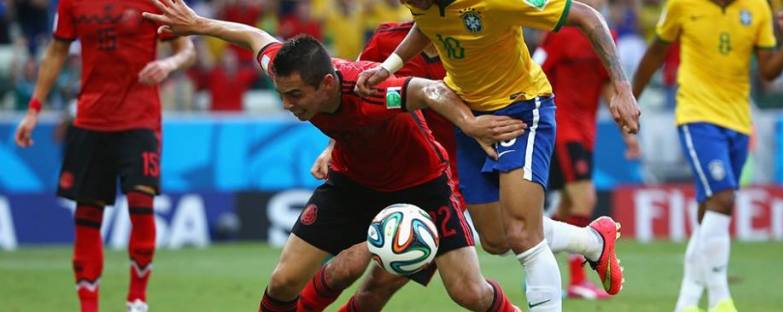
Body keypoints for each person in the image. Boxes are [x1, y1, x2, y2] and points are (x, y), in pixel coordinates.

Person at [142, 1, 527, 311]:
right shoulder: (291, 68)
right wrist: (199, 24)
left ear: (326, 85)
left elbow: (429, 91)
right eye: (281, 94)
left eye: (295, 96)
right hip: (352, 183)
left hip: (422, 186)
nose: (287, 105)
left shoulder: (369, 92)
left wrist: (472, 125)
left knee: (469, 293)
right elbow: (253, 35)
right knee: (283, 281)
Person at [356, 1, 641, 310]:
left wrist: (622, 88)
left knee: (522, 234)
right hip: (470, 119)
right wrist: (387, 67)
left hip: (521, 110)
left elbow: (588, 16)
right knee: (495, 239)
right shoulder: (423, 5)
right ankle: (593, 242)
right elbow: (428, 26)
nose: (406, 2)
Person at [13, 1, 195, 311]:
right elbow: (57, 52)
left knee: (141, 201)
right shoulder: (72, 3)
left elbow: (187, 48)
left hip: (140, 120)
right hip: (90, 120)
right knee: (87, 216)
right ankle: (89, 307)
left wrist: (168, 65)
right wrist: (33, 110)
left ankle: (137, 300)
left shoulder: (156, 1)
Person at [631, 0, 783, 311]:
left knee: (709, 209)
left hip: (738, 120)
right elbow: (657, 52)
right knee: (723, 199)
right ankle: (720, 299)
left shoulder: (757, 8)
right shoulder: (682, 5)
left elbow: (768, 71)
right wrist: (630, 99)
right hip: (696, 115)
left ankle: (686, 301)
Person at [298, 21, 459, 312]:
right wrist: (331, 147)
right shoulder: (387, 41)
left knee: (378, 288)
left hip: (440, 180)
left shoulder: (474, 43)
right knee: (345, 267)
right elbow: (350, 100)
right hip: (379, 173)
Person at [534, 0, 640, 300]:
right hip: (561, 126)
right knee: (585, 196)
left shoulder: (606, 35)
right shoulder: (561, 33)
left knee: (568, 204)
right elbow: (534, 68)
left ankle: (538, 243)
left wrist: (628, 135)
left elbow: (610, 84)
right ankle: (578, 279)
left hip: (586, 129)